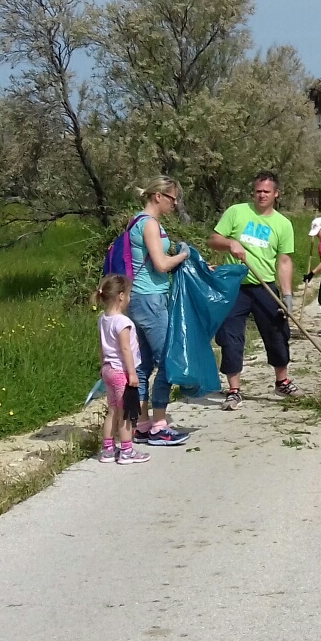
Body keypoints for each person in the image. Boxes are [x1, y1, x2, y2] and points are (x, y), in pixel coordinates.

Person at [209, 171, 300, 411]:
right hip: (234, 287)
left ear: (276, 194)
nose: (262, 195)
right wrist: (230, 243)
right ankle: (234, 390)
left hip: (264, 286)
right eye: (258, 191)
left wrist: (287, 295)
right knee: (230, 337)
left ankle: (282, 382)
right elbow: (213, 240)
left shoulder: (282, 224)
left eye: (266, 191)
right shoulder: (237, 212)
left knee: (278, 332)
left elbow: (284, 261)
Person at [126, 177, 192, 446]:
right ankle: (159, 426)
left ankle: (141, 424)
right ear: (158, 196)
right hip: (151, 299)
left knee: (142, 365)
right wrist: (184, 255)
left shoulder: (136, 220)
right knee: (167, 359)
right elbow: (161, 265)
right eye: (172, 198)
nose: (175, 204)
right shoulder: (150, 224)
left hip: (136, 298)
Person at [95, 274, 150, 465]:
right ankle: (127, 451)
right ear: (120, 296)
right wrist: (132, 373)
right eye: (128, 295)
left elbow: (102, 347)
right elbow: (126, 349)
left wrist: (103, 365)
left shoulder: (103, 319)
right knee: (125, 412)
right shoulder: (122, 322)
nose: (129, 298)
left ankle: (108, 450)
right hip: (121, 372)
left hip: (109, 370)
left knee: (112, 410)